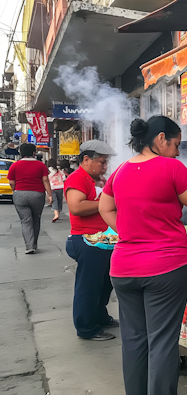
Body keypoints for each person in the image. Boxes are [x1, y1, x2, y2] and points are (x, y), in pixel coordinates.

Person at [99, 116, 187, 395]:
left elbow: (104, 206)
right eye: (176, 145)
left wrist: (128, 230)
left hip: (123, 268)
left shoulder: (120, 171)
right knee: (162, 341)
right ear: (161, 139)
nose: (178, 152)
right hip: (165, 267)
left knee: (134, 338)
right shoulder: (171, 167)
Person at [64, 140, 119, 341]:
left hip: (105, 239)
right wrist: (104, 203)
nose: (105, 167)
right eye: (102, 162)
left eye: (106, 163)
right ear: (86, 159)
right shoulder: (77, 178)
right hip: (87, 240)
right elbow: (76, 207)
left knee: (105, 283)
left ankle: (99, 316)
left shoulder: (99, 180)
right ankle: (86, 327)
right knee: (89, 286)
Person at [7, 143, 53, 254]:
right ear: (34, 153)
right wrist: (49, 194)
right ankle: (35, 243)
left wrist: (16, 191)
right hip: (37, 194)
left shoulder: (15, 165)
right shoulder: (41, 165)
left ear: (21, 153)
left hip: (20, 194)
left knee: (25, 221)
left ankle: (29, 246)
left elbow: (11, 182)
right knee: (36, 219)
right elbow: (45, 180)